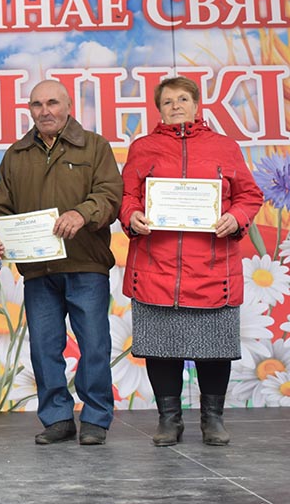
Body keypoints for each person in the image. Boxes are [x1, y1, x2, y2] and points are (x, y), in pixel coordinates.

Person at [119, 76, 263, 446]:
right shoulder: (142, 148)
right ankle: (169, 421)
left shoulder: (225, 147)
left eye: (183, 99)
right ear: (159, 109)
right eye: (168, 101)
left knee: (214, 350)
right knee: (160, 349)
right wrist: (132, 215)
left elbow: (249, 195)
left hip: (212, 269)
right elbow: (126, 196)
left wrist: (236, 218)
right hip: (156, 267)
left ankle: (212, 420)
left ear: (197, 105)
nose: (176, 106)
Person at [0, 79, 122, 446]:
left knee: (94, 345)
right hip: (38, 271)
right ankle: (57, 419)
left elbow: (110, 196)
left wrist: (82, 213)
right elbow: (1, 209)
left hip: (85, 264)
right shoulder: (16, 155)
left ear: (68, 107)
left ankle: (95, 418)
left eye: (52, 103)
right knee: (44, 348)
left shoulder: (95, 146)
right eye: (37, 104)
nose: (44, 111)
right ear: (29, 110)